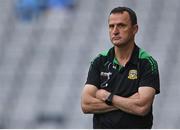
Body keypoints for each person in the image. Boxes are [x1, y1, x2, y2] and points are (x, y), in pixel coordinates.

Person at [81, 6, 160, 129]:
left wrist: (108, 97)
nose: (115, 31)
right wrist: (128, 101)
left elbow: (142, 107)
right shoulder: (99, 61)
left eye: (121, 25)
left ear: (135, 29)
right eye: (111, 26)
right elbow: (86, 104)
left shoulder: (147, 63)